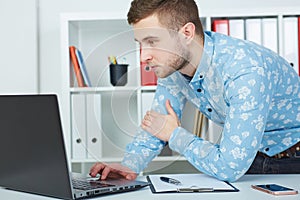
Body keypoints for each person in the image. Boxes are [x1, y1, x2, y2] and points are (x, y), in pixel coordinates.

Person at [90, 0, 300, 182]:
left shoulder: (244, 70)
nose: (143, 57)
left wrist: (174, 134)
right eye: (140, 43)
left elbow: (228, 166)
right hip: (250, 160)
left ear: (187, 33)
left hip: (292, 162)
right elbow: (158, 124)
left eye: (152, 41)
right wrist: (130, 165)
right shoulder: (173, 66)